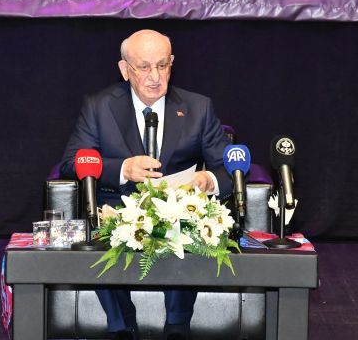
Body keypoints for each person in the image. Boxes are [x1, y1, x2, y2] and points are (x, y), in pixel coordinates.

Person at [59, 29, 232, 340]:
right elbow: (72, 162)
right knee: (101, 233)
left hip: (179, 210)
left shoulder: (198, 107)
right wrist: (123, 168)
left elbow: (229, 169)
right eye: (144, 67)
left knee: (187, 227)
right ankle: (122, 327)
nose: (155, 76)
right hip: (117, 208)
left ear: (171, 64)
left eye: (162, 65)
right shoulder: (99, 106)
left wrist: (207, 180)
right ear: (125, 69)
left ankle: (177, 327)